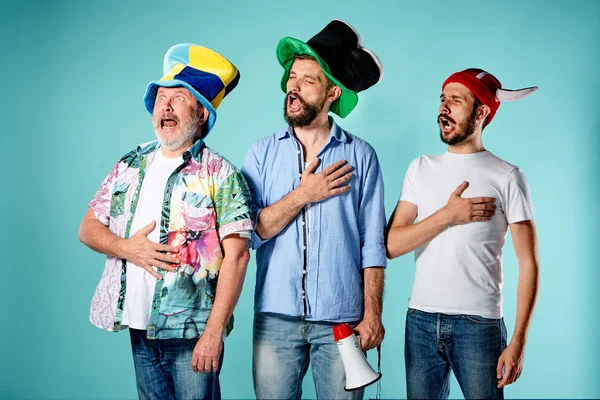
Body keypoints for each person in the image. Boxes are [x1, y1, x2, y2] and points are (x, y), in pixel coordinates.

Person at [78, 43, 253, 400]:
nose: (165, 106)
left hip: (192, 332)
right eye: (160, 98)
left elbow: (238, 256)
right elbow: (88, 228)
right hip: (139, 325)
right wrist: (127, 248)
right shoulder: (130, 163)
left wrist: (214, 332)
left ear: (201, 113)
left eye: (178, 98)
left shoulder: (221, 174)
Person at [241, 20, 386, 400]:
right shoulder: (261, 153)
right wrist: (303, 194)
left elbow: (373, 244)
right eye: (292, 77)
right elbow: (252, 232)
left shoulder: (362, 156)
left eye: (307, 80)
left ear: (331, 92)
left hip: (342, 318)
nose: (293, 86)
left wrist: (372, 315)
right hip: (275, 317)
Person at [386, 68, 540, 399]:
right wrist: (447, 216)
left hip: (479, 326)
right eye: (443, 99)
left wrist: (518, 342)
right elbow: (392, 245)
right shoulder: (420, 168)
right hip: (421, 322)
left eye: (456, 100)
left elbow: (529, 264)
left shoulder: (508, 176)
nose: (444, 107)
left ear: (481, 112)